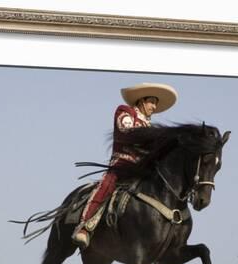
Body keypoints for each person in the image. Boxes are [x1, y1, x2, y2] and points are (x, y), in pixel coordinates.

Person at [72, 82, 178, 249]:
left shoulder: (150, 126)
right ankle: (85, 226)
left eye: (155, 103)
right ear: (141, 101)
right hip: (122, 164)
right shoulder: (124, 111)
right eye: (151, 101)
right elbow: (128, 131)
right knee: (107, 185)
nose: (154, 106)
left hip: (143, 171)